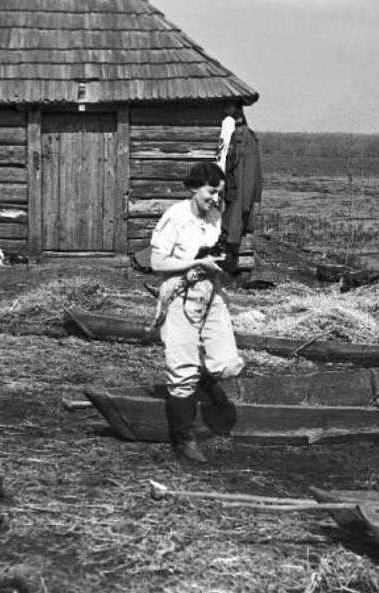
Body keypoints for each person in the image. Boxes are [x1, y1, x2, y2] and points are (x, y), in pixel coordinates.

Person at [148, 161, 245, 463]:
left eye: (219, 193)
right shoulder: (175, 217)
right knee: (182, 372)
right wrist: (195, 264)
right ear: (193, 188)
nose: (215, 198)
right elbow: (157, 263)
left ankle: (203, 374)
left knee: (228, 365)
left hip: (210, 291)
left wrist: (220, 262)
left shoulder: (214, 216)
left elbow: (213, 251)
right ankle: (183, 439)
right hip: (179, 294)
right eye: (211, 192)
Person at [216, 103, 263, 276]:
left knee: (229, 226)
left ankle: (226, 266)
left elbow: (231, 164)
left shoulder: (242, 136)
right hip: (236, 190)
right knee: (232, 224)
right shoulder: (246, 135)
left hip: (234, 188)